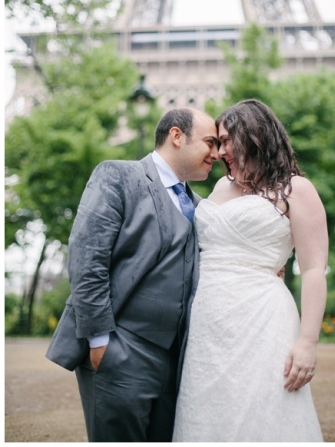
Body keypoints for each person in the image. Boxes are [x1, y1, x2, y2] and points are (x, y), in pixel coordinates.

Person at [45, 108, 220, 441]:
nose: (216, 154)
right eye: (210, 142)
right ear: (177, 136)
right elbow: (88, 258)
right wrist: (100, 342)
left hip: (177, 361)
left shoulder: (201, 206)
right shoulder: (118, 176)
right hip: (119, 350)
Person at [173, 99, 327, 442]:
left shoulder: (297, 189)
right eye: (217, 142)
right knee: (206, 412)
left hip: (262, 318)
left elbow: (314, 269)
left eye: (226, 141)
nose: (220, 151)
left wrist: (308, 341)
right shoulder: (218, 188)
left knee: (264, 408)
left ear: (254, 135)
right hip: (206, 323)